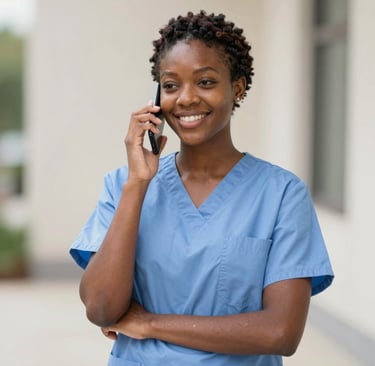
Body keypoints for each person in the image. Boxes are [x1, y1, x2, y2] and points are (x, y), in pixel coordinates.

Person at [69, 10, 334, 366]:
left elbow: (280, 332)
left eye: (206, 82)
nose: (186, 98)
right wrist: (138, 184)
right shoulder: (122, 185)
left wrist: (150, 323)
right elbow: (101, 308)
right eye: (171, 85)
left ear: (236, 87)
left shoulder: (282, 194)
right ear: (157, 98)